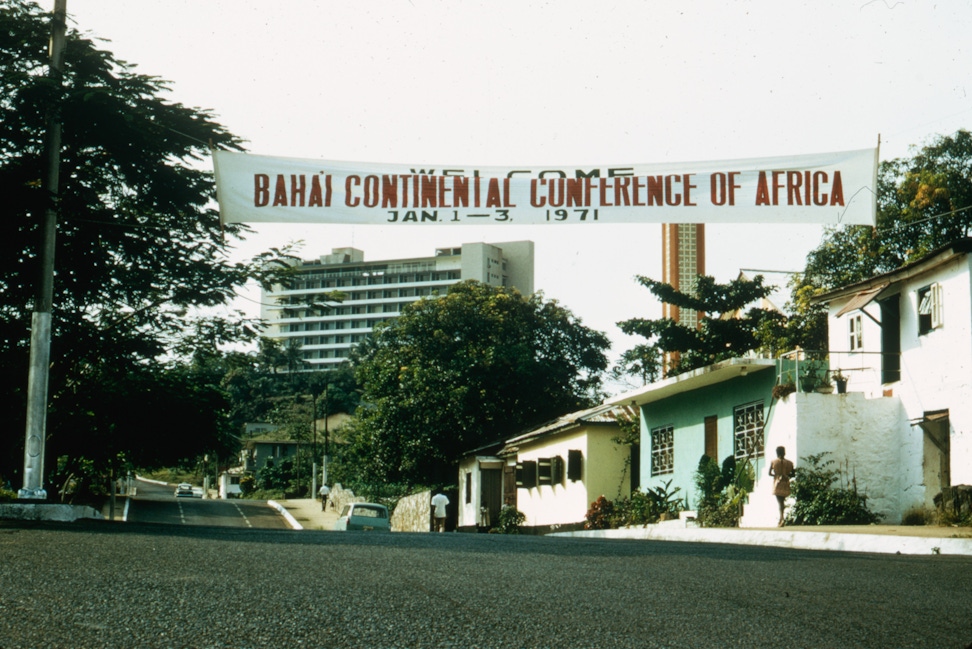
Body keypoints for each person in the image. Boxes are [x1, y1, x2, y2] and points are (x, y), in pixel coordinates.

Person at [768, 446, 795, 527]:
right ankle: (782, 518)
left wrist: (776, 475)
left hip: (777, 482)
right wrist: (786, 475)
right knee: (782, 501)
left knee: (780, 502)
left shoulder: (773, 462)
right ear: (784, 452)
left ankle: (781, 518)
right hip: (785, 482)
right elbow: (793, 474)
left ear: (777, 453)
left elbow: (769, 473)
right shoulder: (790, 463)